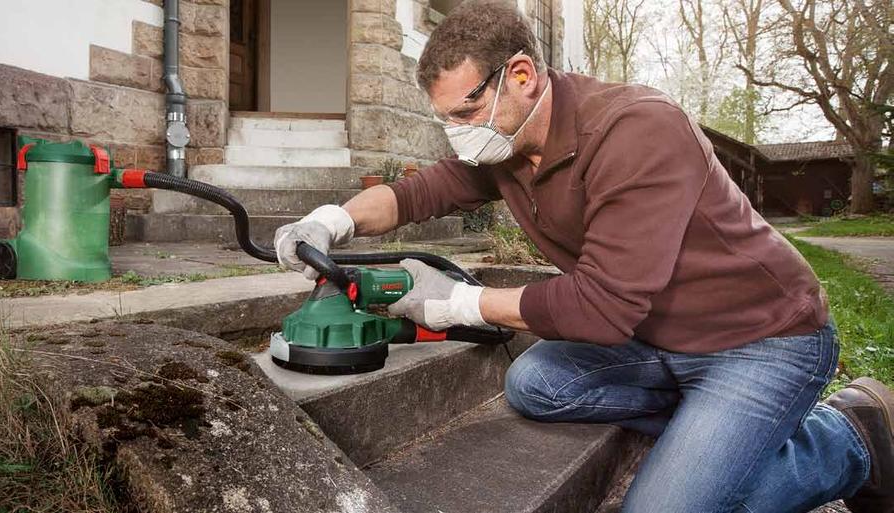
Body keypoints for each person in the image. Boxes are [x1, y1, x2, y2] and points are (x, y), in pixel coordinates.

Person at [272, 1, 893, 511]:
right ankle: (711, 432)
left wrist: (456, 304)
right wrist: (331, 221)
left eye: (465, 111)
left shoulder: (637, 130)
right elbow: (418, 192)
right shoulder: (504, 144)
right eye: (445, 118)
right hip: (657, 335)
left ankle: (851, 438)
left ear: (520, 75)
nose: (457, 131)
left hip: (761, 338)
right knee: (537, 383)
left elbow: (601, 307)